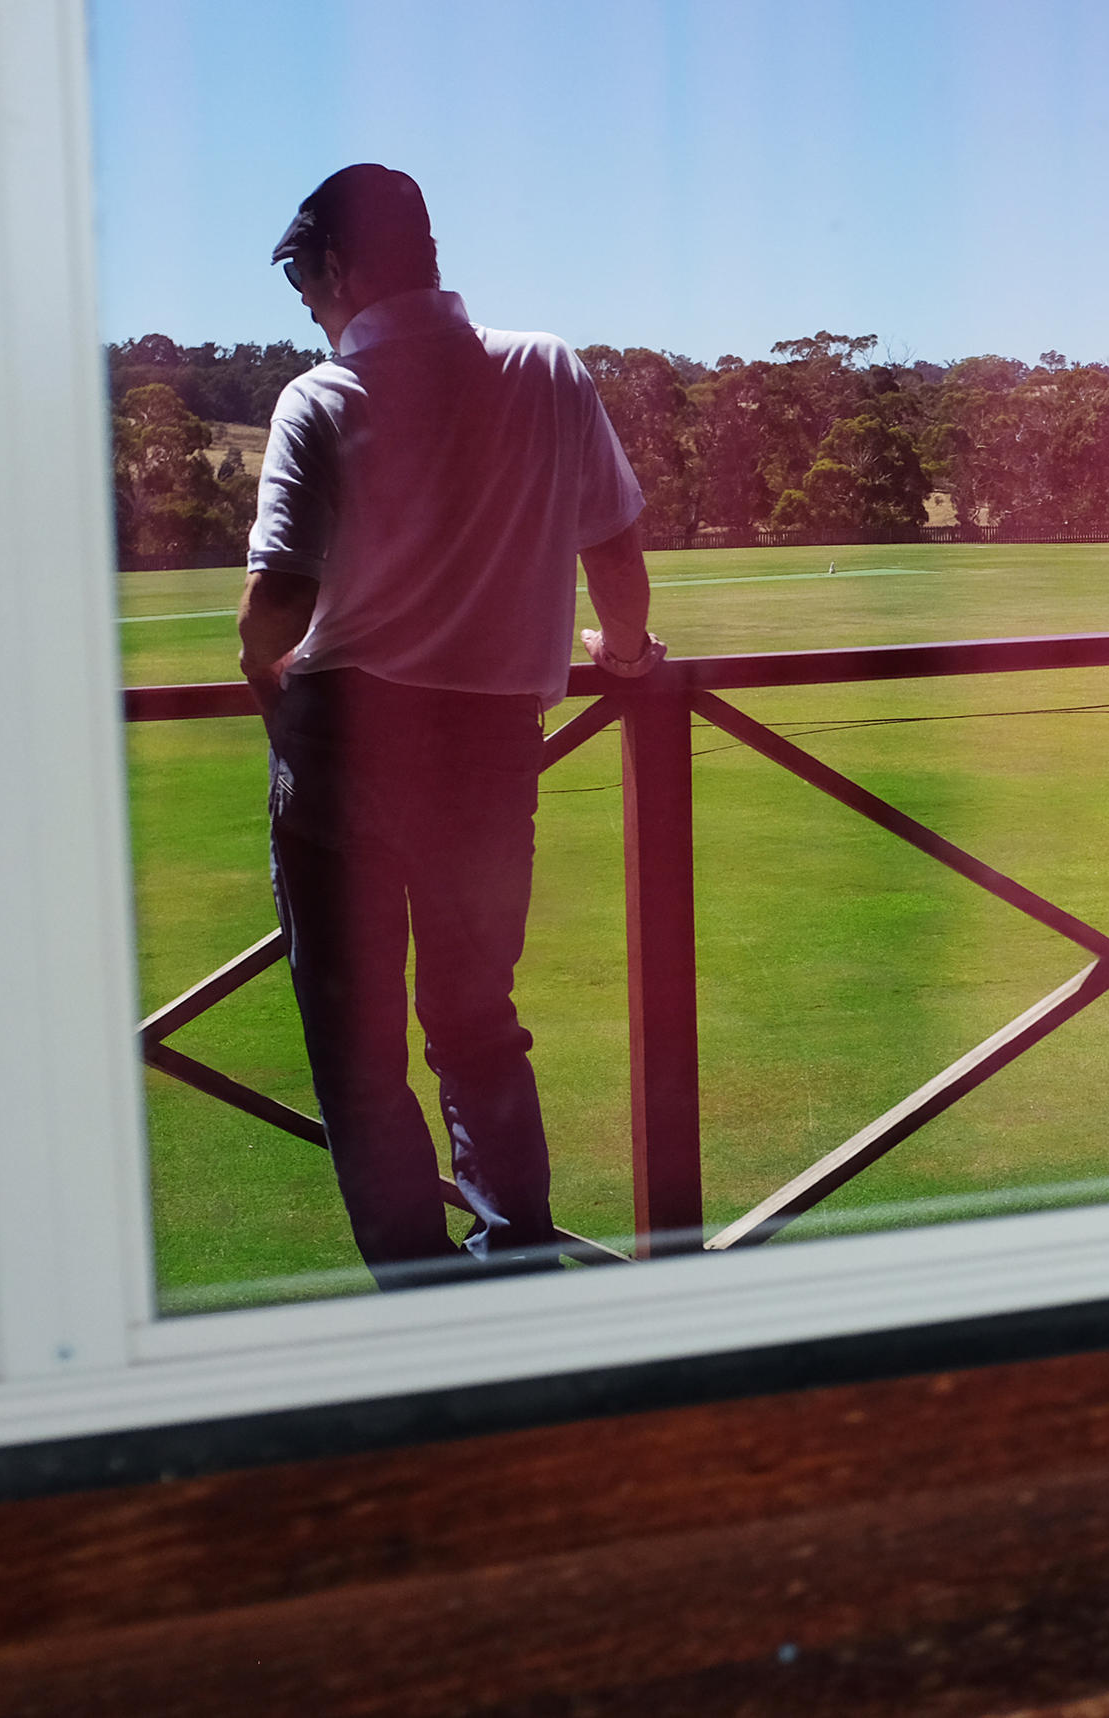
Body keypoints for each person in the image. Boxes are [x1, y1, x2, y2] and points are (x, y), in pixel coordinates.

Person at [239, 164, 667, 1287]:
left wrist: (258, 667)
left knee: (358, 1047)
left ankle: (423, 1295)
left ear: (335, 266)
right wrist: (624, 659)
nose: (312, 311)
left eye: (306, 286)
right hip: (487, 747)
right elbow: (616, 559)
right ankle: (514, 1258)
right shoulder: (547, 368)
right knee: (477, 1021)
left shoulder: (320, 400)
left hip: (345, 745)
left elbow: (278, 598)